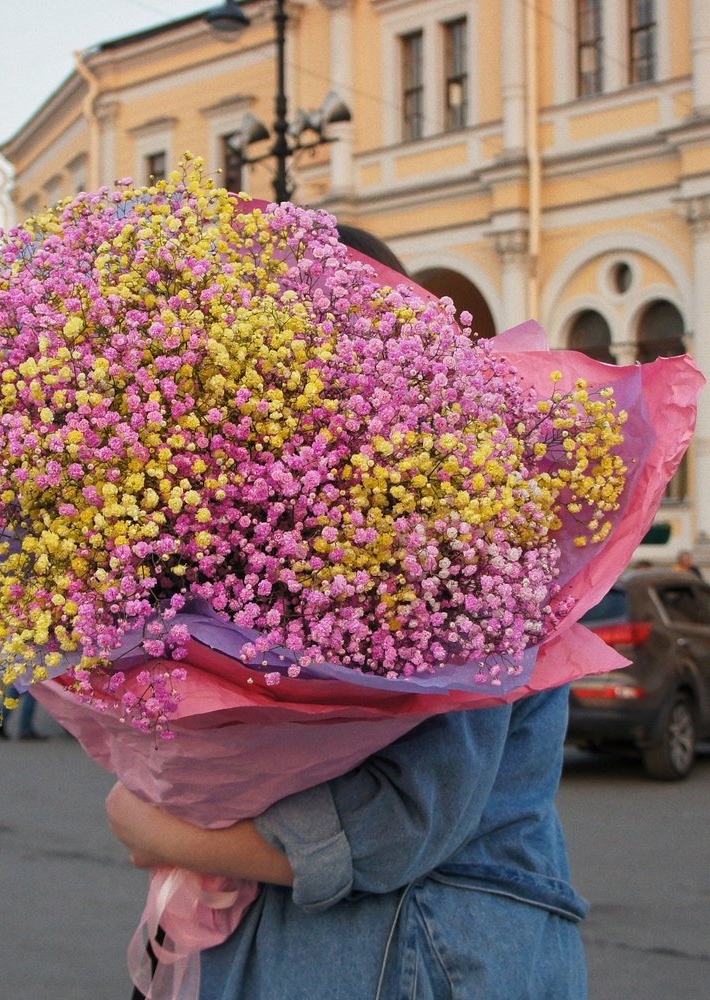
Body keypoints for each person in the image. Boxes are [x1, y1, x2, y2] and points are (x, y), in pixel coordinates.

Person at [106, 225, 588, 999]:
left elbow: (406, 820)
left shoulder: (463, 518)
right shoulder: (273, 515)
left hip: (419, 950)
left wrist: (159, 825)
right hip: (328, 948)